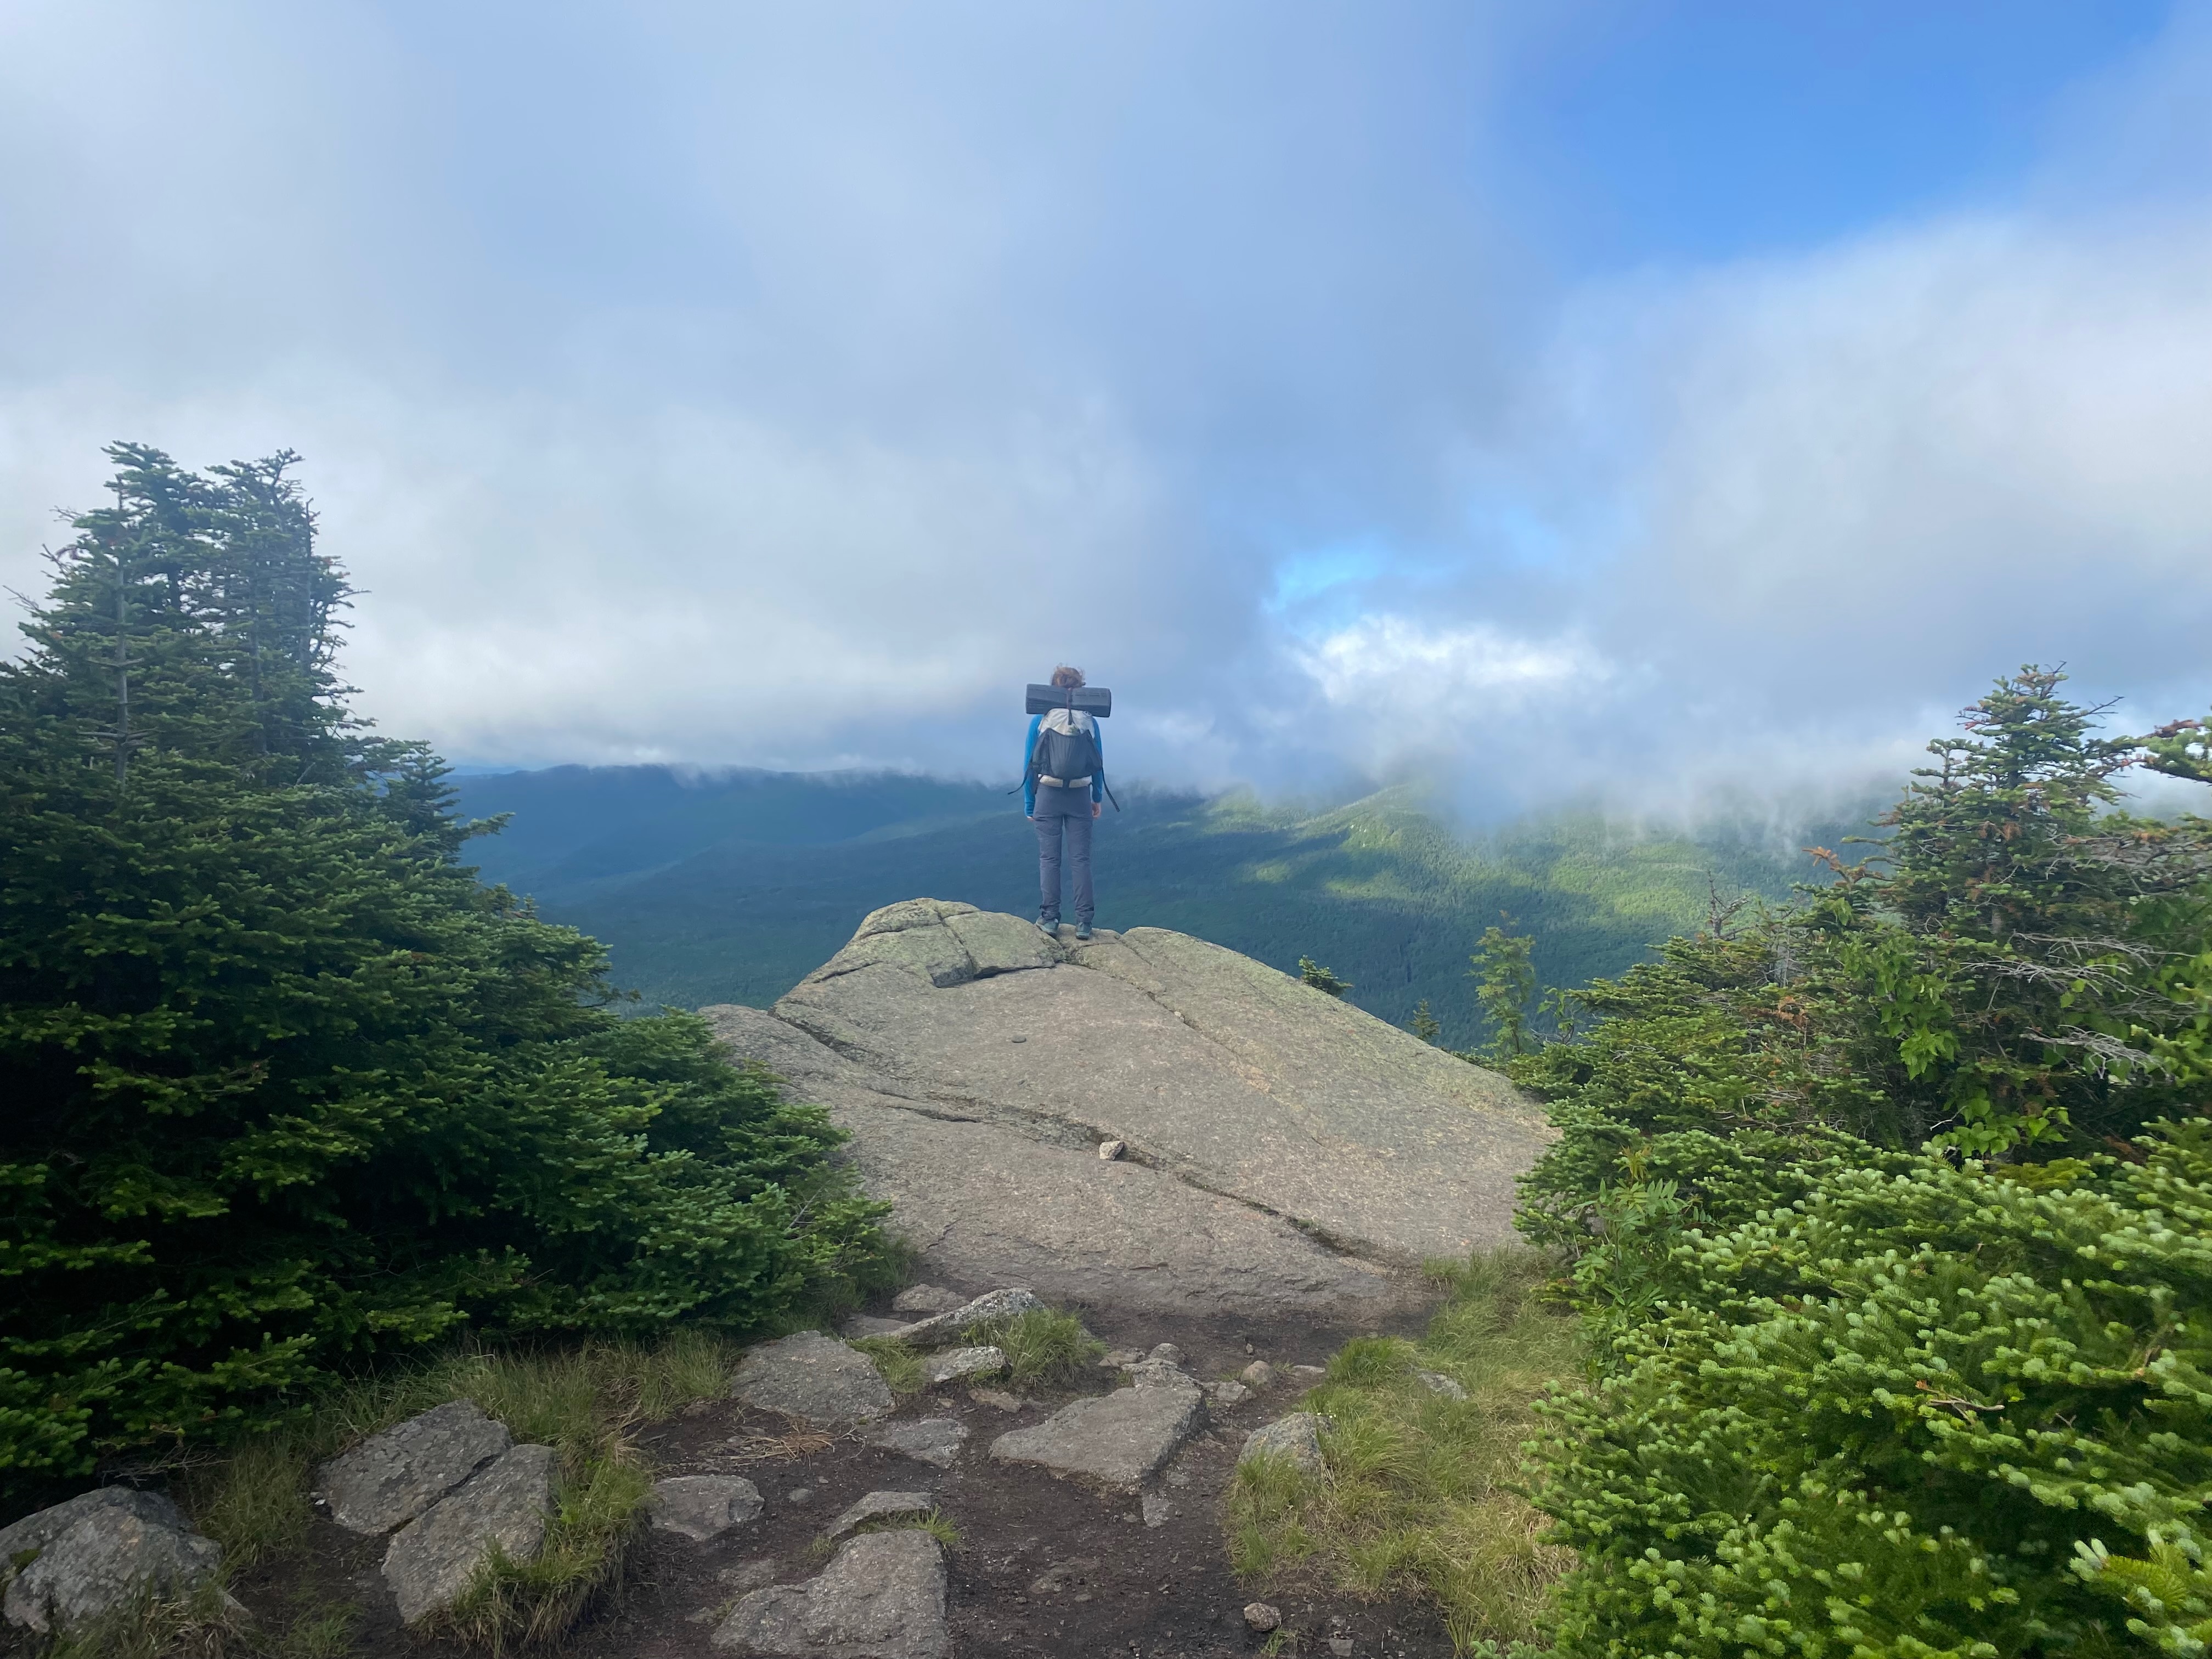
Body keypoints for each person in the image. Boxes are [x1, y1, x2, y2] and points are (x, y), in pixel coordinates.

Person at [1024, 664, 1105, 939]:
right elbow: (1098, 764)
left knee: (1049, 859)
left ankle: (1050, 919)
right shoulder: (1089, 720)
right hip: (1080, 795)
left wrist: (1029, 803)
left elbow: (1029, 763)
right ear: (1080, 688)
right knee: (1081, 860)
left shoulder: (1042, 719)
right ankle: (1084, 923)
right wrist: (1096, 797)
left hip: (1047, 793)